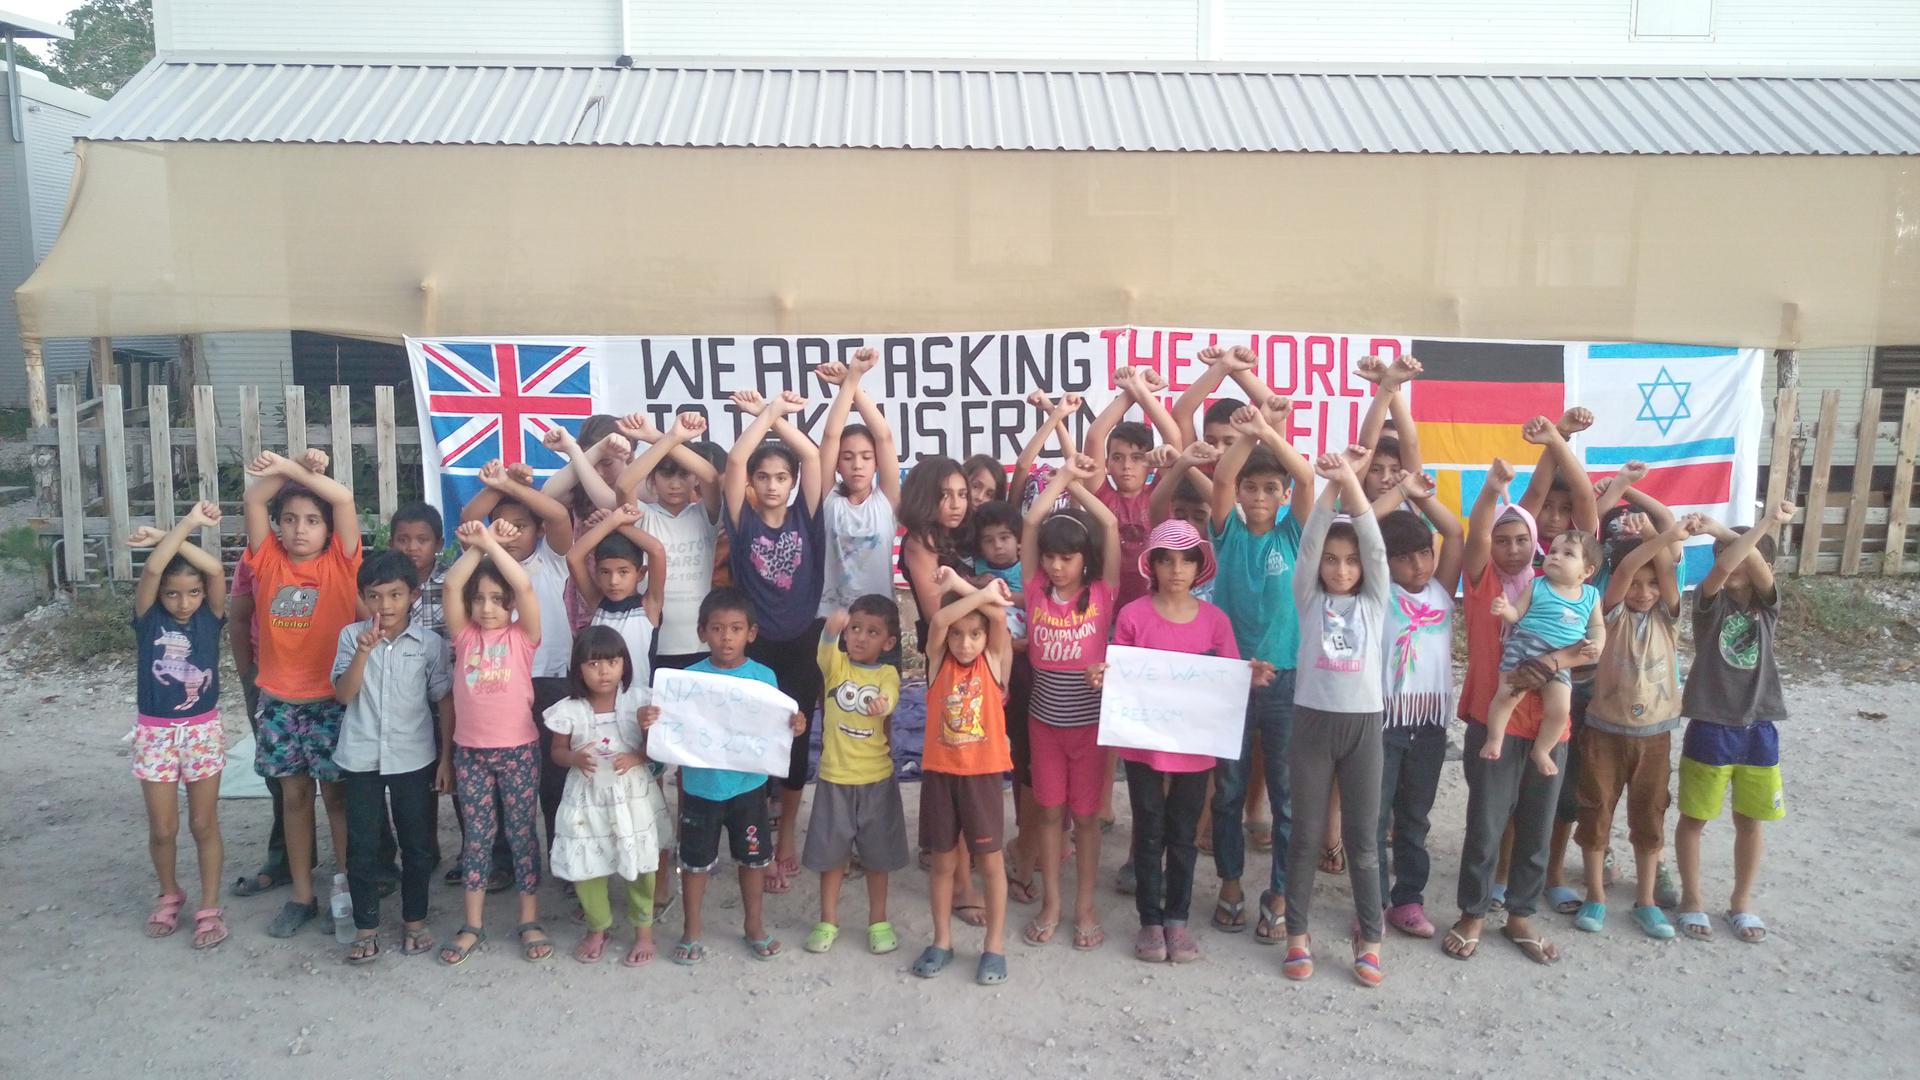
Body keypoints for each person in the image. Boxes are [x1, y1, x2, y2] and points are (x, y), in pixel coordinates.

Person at [1091, 519, 1276, 964]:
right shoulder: (1134, 615)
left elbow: (1229, 676)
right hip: (1143, 745)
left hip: (1194, 748)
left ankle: (1177, 919)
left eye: (1186, 560)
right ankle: (1149, 922)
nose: (1176, 569)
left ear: (1200, 567)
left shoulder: (1215, 622)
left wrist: (1250, 677)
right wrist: (1104, 676)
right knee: (1149, 829)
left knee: (1183, 833)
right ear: (1151, 565)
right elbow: (1121, 670)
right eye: (1167, 560)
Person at [1444, 456, 1589, 966]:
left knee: (1536, 825)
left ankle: (1521, 915)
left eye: (1520, 540)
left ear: (1538, 545)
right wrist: (1491, 491)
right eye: (1503, 540)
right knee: (1485, 824)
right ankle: (1474, 913)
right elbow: (1478, 531)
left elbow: (1592, 648)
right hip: (1495, 724)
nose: (1510, 549)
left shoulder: (1562, 590)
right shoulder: (1485, 586)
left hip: (1550, 728)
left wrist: (1551, 662)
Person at [640, 588, 806, 965]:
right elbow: (664, 728)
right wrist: (648, 720)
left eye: (735, 628)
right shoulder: (686, 681)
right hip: (700, 789)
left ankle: (754, 927)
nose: (726, 637)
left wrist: (794, 725)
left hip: (749, 789)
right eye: (717, 628)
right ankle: (692, 930)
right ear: (702, 632)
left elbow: (775, 728)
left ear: (751, 632)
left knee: (753, 860)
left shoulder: (765, 677)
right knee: (695, 864)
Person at [241, 449, 363, 938]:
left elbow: (346, 498)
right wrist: (295, 466)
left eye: (312, 520)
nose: (299, 529)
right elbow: (254, 498)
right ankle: (301, 895)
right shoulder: (266, 558)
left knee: (336, 798)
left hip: (331, 701)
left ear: (329, 529)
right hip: (278, 702)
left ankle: (344, 887)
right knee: (293, 799)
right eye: (289, 519)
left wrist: (300, 472)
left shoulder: (341, 562)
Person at [1204, 399, 1314, 942]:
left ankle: (1279, 892)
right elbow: (1223, 478)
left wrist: (1268, 430)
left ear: (1284, 496)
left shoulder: (1293, 535)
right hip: (1230, 679)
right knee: (1226, 789)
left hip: (1287, 680)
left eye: (1272, 489)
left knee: (1286, 796)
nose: (1261, 497)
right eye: (1253, 488)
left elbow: (1306, 476)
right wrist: (1246, 438)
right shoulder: (1226, 532)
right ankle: (1230, 883)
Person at [1283, 448, 1392, 986]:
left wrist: (1352, 479)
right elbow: (1308, 544)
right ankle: (1297, 935)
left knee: (1363, 841)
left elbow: (1374, 546)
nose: (1342, 569)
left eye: (1350, 562)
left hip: (1363, 727)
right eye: (1333, 559)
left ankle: (1370, 939)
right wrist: (1329, 488)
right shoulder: (1307, 597)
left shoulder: (1376, 602)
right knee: (1305, 836)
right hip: (1311, 724)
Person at [1673, 503, 1795, 946]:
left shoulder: (1768, 606)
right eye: (1731, 551)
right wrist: (1742, 533)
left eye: (1750, 554)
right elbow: (1726, 565)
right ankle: (1692, 898)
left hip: (1759, 725)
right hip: (1711, 724)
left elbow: (1757, 565)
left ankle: (1741, 902)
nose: (1738, 560)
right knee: (1695, 817)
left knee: (1750, 820)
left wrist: (1752, 530)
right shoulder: (1709, 603)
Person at [723, 389, 827, 893]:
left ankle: (787, 834)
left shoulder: (807, 517)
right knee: (755, 742)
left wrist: (779, 416)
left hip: (802, 644)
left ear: (792, 484)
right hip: (756, 648)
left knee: (796, 740)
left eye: (780, 477)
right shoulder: (741, 525)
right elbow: (737, 458)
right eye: (762, 477)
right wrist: (764, 415)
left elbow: (809, 454)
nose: (770, 484)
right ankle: (756, 844)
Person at [1018, 454, 1122, 952]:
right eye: (1051, 557)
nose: (1057, 566)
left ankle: (1084, 906)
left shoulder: (1104, 592)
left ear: (1086, 560)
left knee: (1085, 818)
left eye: (1068, 557)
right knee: (1048, 813)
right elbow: (1034, 520)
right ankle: (1052, 904)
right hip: (1044, 726)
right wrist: (1061, 479)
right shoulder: (1035, 590)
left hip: (1089, 729)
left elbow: (1107, 522)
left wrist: (1080, 488)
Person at [1576, 512, 1698, 939]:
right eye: (1636, 585)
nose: (1643, 592)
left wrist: (1658, 538)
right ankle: (1595, 895)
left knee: (1649, 817)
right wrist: (1662, 535)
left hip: (1655, 736)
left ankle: (1645, 901)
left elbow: (1663, 568)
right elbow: (1627, 567)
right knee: (1595, 811)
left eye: (1652, 585)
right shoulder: (1608, 613)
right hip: (1604, 730)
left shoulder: (1669, 616)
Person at [438, 519, 553, 965]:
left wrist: (493, 545)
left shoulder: (523, 637)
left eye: (497, 600)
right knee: (478, 838)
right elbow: (451, 585)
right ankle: (473, 923)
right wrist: (479, 549)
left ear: (510, 606)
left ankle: (528, 919)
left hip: (519, 750)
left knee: (521, 833)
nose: (487, 608)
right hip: (471, 753)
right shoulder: (464, 636)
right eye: (480, 599)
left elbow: (523, 584)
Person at [330, 549, 453, 964]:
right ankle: (366, 927)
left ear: (413, 595)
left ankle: (414, 920)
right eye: (376, 596)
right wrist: (364, 652)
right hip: (361, 756)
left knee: (417, 844)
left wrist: (446, 758)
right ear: (364, 597)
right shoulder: (351, 637)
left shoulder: (430, 644)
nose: (386, 606)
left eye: (396, 595)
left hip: (414, 756)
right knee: (363, 845)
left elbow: (444, 702)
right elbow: (344, 695)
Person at [459, 458, 577, 851]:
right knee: (500, 784)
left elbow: (559, 514)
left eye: (521, 526)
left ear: (539, 532)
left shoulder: (552, 559)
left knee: (554, 780)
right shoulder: (485, 565)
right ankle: (504, 861)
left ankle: (564, 862)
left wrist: (515, 487)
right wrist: (498, 485)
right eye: (503, 525)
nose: (511, 534)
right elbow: (469, 516)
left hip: (551, 678)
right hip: (497, 686)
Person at [128, 502, 230, 950]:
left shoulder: (210, 618)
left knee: (204, 823)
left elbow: (215, 570)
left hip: (202, 731)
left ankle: (209, 905)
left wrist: (171, 536)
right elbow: (152, 570)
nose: (183, 602)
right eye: (173, 594)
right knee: (163, 828)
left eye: (191, 593)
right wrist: (181, 528)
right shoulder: (150, 622)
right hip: (155, 735)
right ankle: (170, 894)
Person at [1368, 471, 1464, 940]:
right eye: (1403, 559)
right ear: (1384, 563)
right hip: (1384, 723)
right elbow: (1362, 525)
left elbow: (1456, 533)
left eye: (1424, 554)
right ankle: (1374, 904)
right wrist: (1399, 494)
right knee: (1374, 816)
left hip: (1427, 725)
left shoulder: (1441, 593)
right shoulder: (1376, 594)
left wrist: (1422, 500)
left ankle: (1408, 901)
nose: (1418, 566)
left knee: (1415, 818)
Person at [911, 571, 1016, 986]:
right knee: (942, 862)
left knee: (990, 863)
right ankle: (941, 940)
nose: (965, 643)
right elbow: (938, 623)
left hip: (983, 776)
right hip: (941, 775)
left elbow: (999, 619)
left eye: (974, 635)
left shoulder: (993, 662)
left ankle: (994, 946)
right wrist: (976, 592)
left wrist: (966, 587)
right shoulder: (939, 663)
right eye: (959, 636)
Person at [548, 626, 661, 967]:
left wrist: (637, 755)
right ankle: (597, 926)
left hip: (632, 797)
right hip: (586, 800)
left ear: (624, 664)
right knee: (587, 864)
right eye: (594, 664)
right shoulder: (569, 709)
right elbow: (556, 752)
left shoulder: (639, 701)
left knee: (640, 862)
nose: (604, 671)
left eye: (612, 662)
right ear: (578, 668)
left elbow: (657, 748)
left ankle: (643, 930)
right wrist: (573, 758)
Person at [803, 596, 909, 956]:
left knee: (878, 858)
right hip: (834, 778)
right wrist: (831, 629)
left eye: (873, 632)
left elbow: (890, 696)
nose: (861, 637)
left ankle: (878, 920)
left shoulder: (887, 674)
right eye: (856, 629)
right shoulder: (836, 668)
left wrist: (884, 705)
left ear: (889, 642)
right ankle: (827, 920)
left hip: (876, 779)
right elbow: (825, 650)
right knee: (831, 857)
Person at [1484, 527, 1606, 777]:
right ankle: (1494, 739)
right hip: (1525, 645)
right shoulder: (1537, 585)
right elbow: (1517, 614)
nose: (1556, 556)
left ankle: (1542, 750)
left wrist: (1598, 643)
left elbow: (1597, 626)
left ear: (1587, 571)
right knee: (1507, 694)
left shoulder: (1591, 596)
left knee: (1560, 709)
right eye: (1553, 551)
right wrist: (1504, 608)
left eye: (1568, 553)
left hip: (1562, 658)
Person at [616, 411, 723, 672]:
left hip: (701, 644)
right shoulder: (643, 515)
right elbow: (623, 486)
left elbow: (710, 476)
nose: (675, 484)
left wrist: (658, 436)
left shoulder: (705, 515)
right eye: (666, 475)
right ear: (652, 478)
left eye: (683, 475)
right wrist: (668, 440)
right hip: (651, 640)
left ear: (693, 478)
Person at [815, 349, 903, 620]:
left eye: (866, 457)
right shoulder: (829, 500)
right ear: (837, 464)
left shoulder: (886, 501)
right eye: (848, 457)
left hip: (879, 621)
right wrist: (849, 380)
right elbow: (831, 436)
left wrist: (852, 381)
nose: (857, 465)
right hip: (833, 620)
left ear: (877, 462)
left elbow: (884, 436)